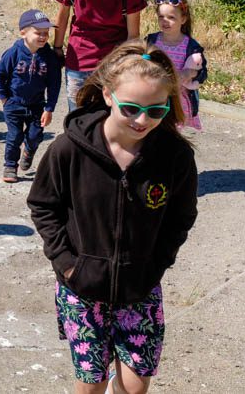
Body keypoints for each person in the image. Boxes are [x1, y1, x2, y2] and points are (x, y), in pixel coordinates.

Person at [27, 41, 198, 394]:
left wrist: (158, 263)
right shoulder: (70, 148)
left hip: (140, 287)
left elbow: (181, 216)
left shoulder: (175, 156)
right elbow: (44, 205)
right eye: (131, 108)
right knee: (91, 384)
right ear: (108, 96)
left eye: (155, 111)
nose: (142, 120)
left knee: (135, 387)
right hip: (82, 287)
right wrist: (68, 263)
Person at [52, 0, 146, 111]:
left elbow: (133, 35)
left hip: (113, 64)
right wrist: (57, 47)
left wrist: (129, 62)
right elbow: (63, 18)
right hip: (79, 61)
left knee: (110, 117)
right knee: (78, 115)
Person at [0, 9, 62, 183]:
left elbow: (54, 84)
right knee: (14, 136)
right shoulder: (14, 53)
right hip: (14, 103)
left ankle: (29, 151)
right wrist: (4, 98)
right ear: (23, 32)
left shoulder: (49, 57)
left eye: (46, 33)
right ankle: (10, 166)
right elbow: (0, 74)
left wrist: (49, 108)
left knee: (35, 136)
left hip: (37, 105)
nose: (43, 37)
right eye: (38, 33)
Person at [145, 0, 207, 131]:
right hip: (153, 95)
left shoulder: (191, 45)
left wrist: (190, 73)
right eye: (161, 16)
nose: (165, 21)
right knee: (152, 130)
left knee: (172, 135)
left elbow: (202, 72)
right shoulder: (151, 40)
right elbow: (141, 62)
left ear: (183, 19)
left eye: (171, 17)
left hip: (178, 101)